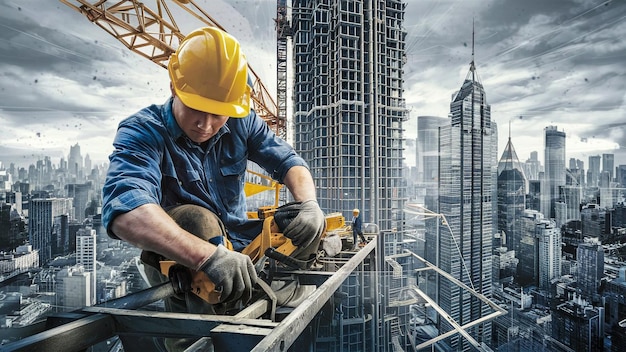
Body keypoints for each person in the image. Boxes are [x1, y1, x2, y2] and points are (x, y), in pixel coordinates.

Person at [101, 26, 325, 329]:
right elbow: (126, 211)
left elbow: (288, 161)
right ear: (174, 88)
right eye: (197, 109)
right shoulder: (143, 131)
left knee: (302, 217)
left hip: (237, 244)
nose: (205, 125)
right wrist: (207, 256)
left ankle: (274, 293)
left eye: (218, 114)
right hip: (182, 261)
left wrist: (310, 204)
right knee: (196, 219)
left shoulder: (241, 120)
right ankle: (199, 336)